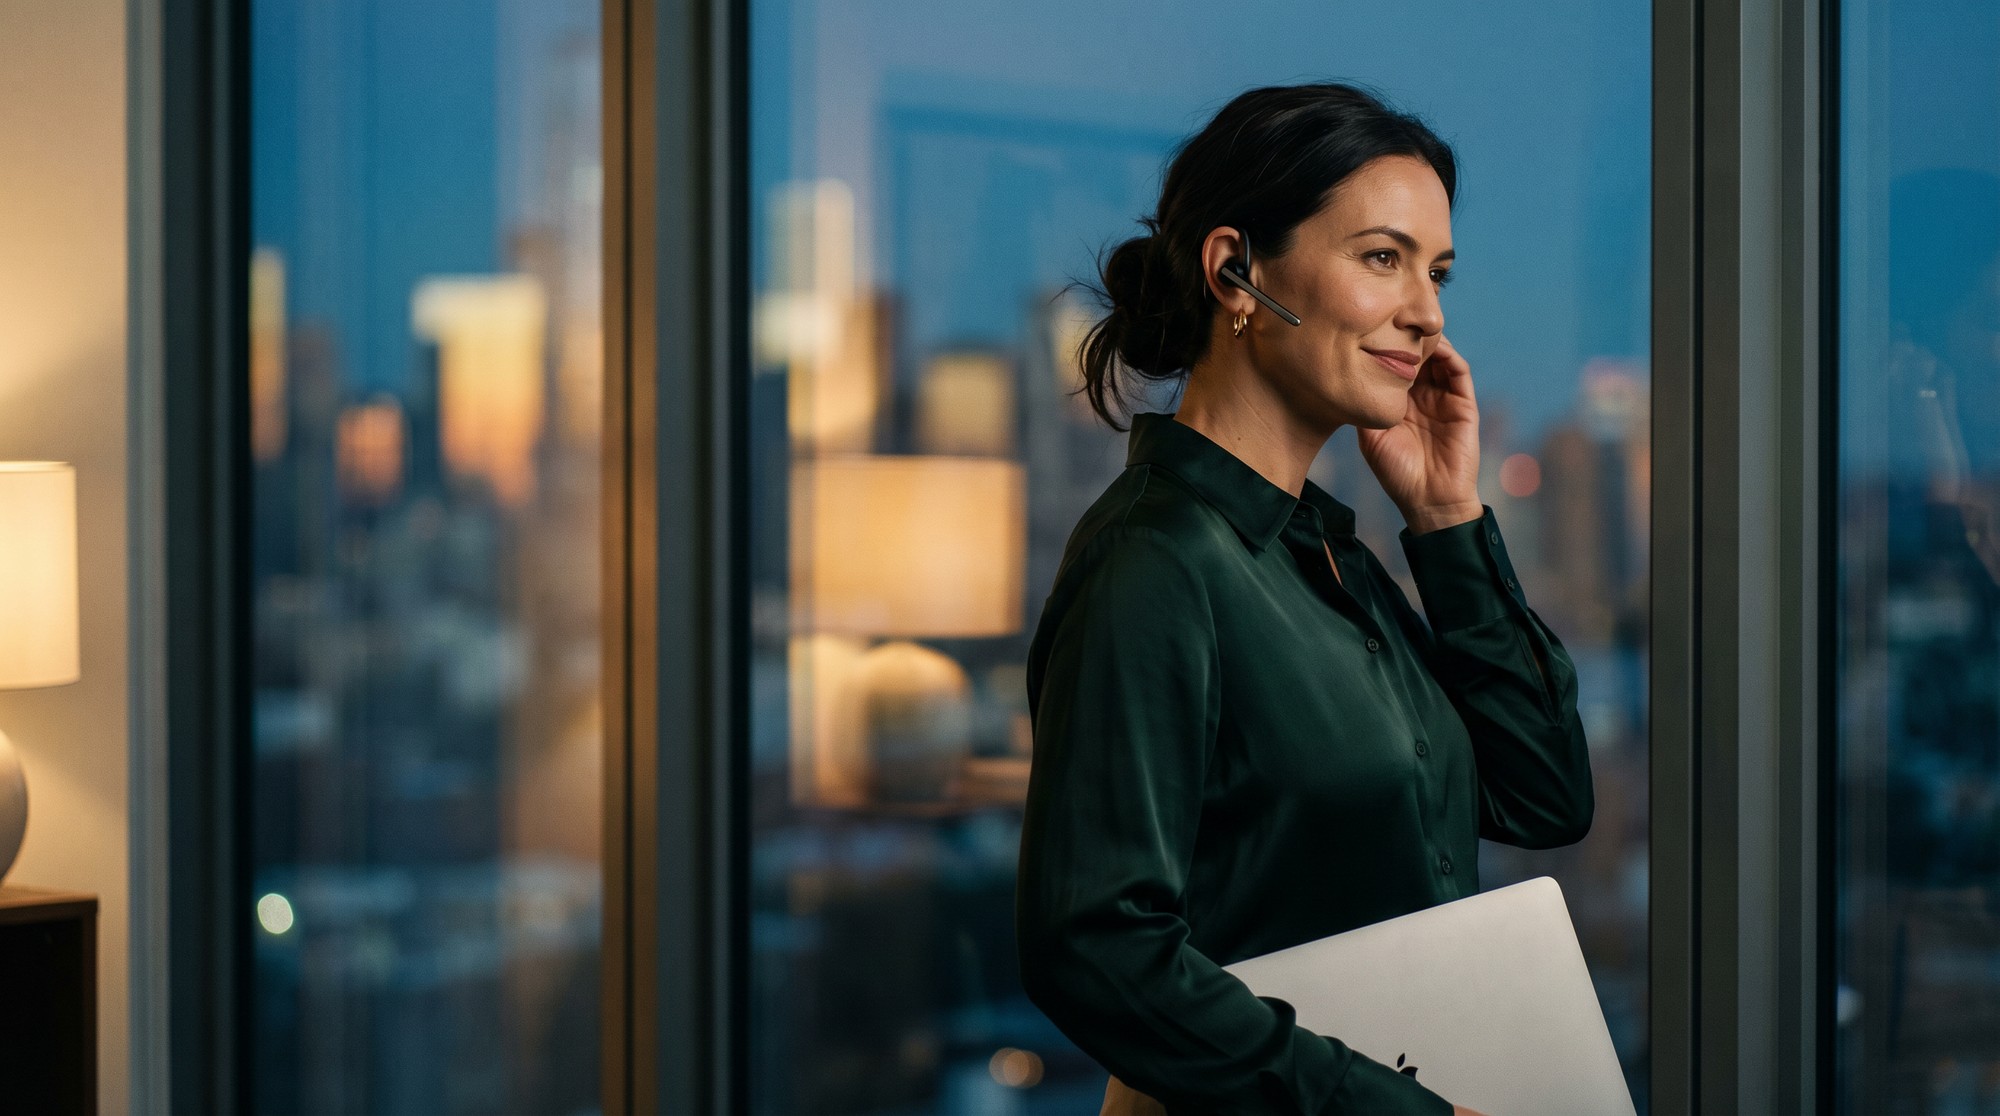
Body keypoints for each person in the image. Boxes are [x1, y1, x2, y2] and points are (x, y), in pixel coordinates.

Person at [1014, 82, 1595, 1115]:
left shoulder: (1325, 556)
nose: (1427, 312)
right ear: (1235, 270)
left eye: (1437, 272)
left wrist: (1447, 516)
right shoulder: (1153, 562)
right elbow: (1093, 946)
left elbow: (1541, 795)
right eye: (1382, 258)